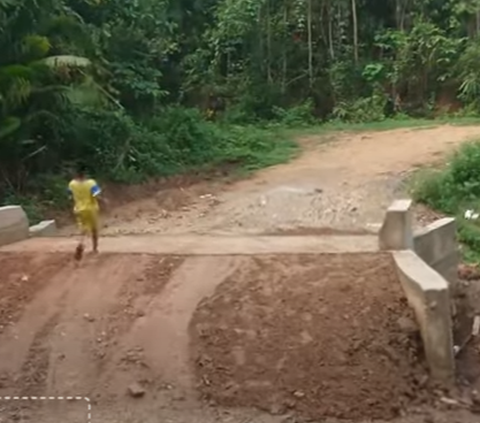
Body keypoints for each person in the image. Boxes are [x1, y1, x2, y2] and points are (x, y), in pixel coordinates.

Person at [67, 164, 105, 258]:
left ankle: (80, 243)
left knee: (83, 229)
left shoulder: (71, 184)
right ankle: (94, 248)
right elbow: (96, 195)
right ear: (85, 173)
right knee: (94, 229)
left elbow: (69, 196)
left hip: (78, 209)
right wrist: (104, 201)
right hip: (91, 209)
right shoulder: (91, 183)